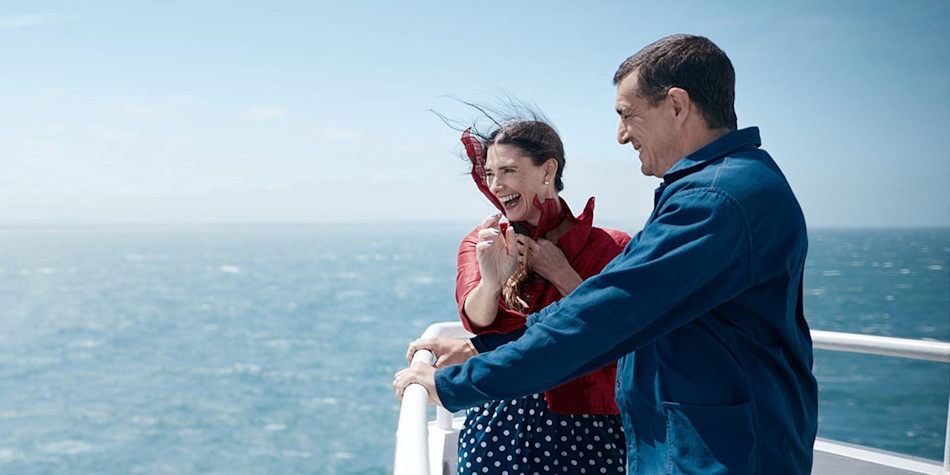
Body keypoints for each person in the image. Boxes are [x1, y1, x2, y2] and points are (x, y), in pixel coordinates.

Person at [396, 34, 818, 474]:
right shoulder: (725, 186)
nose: (620, 136)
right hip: (716, 444)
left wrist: (455, 383)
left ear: (676, 106)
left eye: (627, 115)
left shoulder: (714, 200)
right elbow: (625, 313)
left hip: (722, 453)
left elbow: (605, 316)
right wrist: (481, 346)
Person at [439, 114, 631, 474]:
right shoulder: (483, 242)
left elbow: (620, 333)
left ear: (547, 170)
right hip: (497, 421)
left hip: (587, 427)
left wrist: (561, 273)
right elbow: (477, 319)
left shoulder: (613, 246)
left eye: (509, 171)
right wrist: (492, 281)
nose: (496, 185)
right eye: (490, 174)